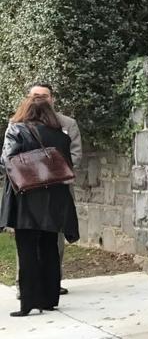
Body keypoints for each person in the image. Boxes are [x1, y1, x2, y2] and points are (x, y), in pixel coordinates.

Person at [1, 97, 80, 317]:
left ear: (25, 111)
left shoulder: (17, 131)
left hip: (26, 197)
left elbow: (6, 161)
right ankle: (49, 298)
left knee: (26, 249)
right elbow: (67, 165)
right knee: (49, 247)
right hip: (54, 198)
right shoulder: (60, 136)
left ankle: (29, 301)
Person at [26, 82, 81, 296]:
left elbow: (75, 155)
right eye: (35, 95)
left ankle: (52, 282)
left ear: (52, 99)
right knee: (29, 237)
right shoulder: (18, 124)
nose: (40, 99)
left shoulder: (68, 124)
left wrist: (53, 173)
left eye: (44, 95)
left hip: (58, 189)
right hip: (30, 191)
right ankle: (27, 285)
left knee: (55, 238)